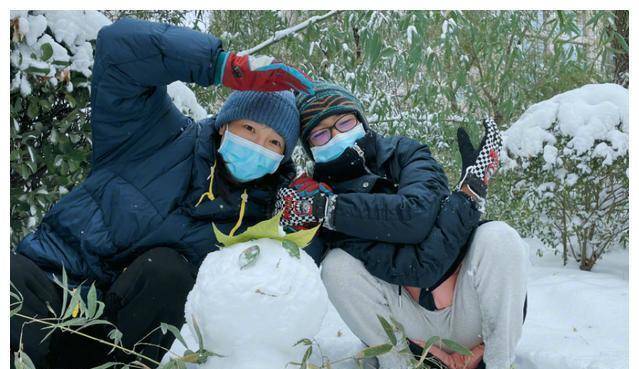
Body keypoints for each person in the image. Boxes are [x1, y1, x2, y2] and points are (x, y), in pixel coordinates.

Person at [10, 17, 312, 369]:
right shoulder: (150, 133)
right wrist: (218, 65)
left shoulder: (265, 216)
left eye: (274, 142)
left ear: (282, 157)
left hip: (119, 339)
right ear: (225, 122)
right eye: (248, 128)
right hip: (46, 286)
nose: (257, 145)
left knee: (168, 271)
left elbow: (292, 283)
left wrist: (314, 212)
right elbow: (117, 48)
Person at [275, 82, 528, 369]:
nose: (336, 136)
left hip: (468, 312)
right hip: (409, 326)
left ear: (360, 120)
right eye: (320, 133)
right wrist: (292, 216)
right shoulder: (316, 193)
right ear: (310, 148)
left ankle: (498, 363)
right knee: (337, 266)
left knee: (499, 237)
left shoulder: (405, 153)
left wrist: (332, 210)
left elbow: (415, 218)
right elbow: (306, 266)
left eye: (344, 122)